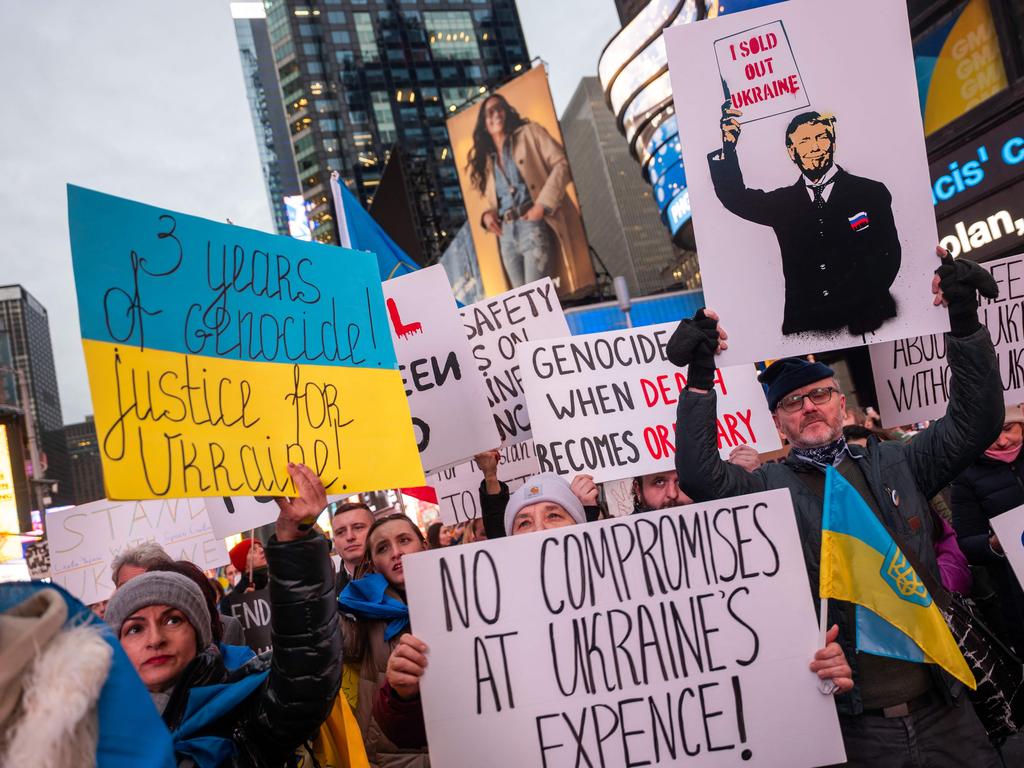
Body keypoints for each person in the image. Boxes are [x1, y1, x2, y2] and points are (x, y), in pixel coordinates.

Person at [667, 248, 1003, 766]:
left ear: (841, 403)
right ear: (779, 424)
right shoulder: (770, 487)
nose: (810, 407)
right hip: (857, 728)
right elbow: (699, 476)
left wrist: (963, 321)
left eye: (820, 394)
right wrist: (699, 378)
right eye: (793, 403)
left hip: (945, 707)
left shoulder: (900, 463)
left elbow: (973, 424)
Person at [104, 462, 341, 767]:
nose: (155, 639)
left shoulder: (244, 711)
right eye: (135, 628)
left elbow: (306, 672)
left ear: (201, 633)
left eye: (173, 620)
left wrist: (295, 542)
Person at [710, 106, 901, 336]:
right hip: (807, 330)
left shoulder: (870, 192)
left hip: (871, 324)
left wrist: (858, 306)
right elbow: (735, 197)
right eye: (804, 141)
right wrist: (728, 148)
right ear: (792, 152)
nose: (815, 147)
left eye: (821, 137)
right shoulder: (784, 204)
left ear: (833, 143)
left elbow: (889, 256)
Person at [467, 93, 588, 289]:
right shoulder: (488, 161)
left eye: (500, 108)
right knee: (523, 307)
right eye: (490, 111)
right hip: (506, 237)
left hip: (531, 226)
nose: (496, 113)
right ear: (484, 123)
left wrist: (542, 205)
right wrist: (487, 216)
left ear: (507, 111)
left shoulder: (530, 133)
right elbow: (496, 202)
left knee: (536, 298)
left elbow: (561, 164)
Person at [337, 514, 430, 767]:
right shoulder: (361, 608)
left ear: (424, 545)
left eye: (404, 540)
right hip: (393, 753)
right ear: (374, 564)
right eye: (383, 548)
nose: (396, 552)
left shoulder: (460, 589)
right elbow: (337, 642)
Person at [951, 404, 1024, 655]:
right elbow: (967, 542)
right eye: (990, 435)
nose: (1002, 441)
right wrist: (994, 543)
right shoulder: (966, 476)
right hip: (1016, 591)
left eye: (1008, 429)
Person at [331, 500, 375, 593]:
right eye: (340, 532)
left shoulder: (399, 577)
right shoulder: (326, 592)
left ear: (375, 531)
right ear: (334, 541)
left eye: (358, 527)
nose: (350, 537)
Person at [219, 537, 267, 618]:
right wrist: (244, 602)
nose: (262, 550)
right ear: (243, 561)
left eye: (260, 547)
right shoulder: (230, 601)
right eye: (253, 550)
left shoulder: (279, 580)